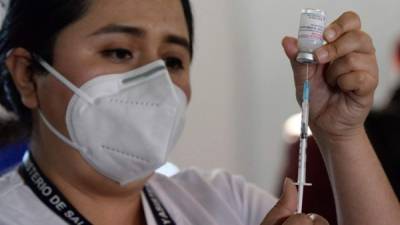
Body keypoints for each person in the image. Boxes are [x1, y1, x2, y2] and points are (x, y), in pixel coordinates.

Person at [0, 1, 398, 225]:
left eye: (173, 61)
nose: (154, 81)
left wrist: (341, 135)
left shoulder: (222, 202)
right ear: (27, 75)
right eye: (119, 52)